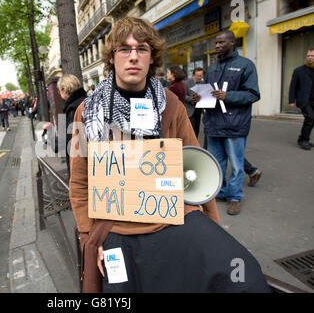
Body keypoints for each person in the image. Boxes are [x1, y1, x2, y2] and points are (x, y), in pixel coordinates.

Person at [69, 17, 268, 293]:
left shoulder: (170, 105)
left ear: (152, 57)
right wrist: (88, 236)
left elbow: (195, 166)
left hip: (169, 216)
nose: (133, 57)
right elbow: (79, 183)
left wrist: (211, 227)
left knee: (244, 277)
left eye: (142, 49)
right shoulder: (86, 112)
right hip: (114, 227)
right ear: (112, 58)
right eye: (124, 50)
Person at [192, 30, 260, 216]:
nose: (217, 46)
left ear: (232, 43)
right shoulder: (212, 68)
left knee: (237, 165)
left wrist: (228, 96)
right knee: (216, 162)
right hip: (213, 123)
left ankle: (235, 197)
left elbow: (253, 94)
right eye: (216, 43)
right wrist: (200, 97)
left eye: (221, 42)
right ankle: (219, 192)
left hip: (235, 124)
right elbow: (209, 93)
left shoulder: (246, 65)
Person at [57, 74, 87, 176]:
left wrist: (53, 142)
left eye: (60, 90)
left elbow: (69, 139)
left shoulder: (72, 109)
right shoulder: (86, 100)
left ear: (65, 90)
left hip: (79, 161)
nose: (59, 93)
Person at [289, 48, 314, 150]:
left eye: (312, 56)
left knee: (312, 120)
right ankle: (303, 140)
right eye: (308, 56)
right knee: (310, 118)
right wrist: (291, 100)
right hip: (304, 100)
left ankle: (303, 138)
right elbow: (293, 86)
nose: (310, 58)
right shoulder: (299, 70)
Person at [184, 67, 204, 138]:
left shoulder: (203, 83)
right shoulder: (186, 83)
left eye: (201, 76)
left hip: (199, 109)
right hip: (190, 109)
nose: (199, 77)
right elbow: (183, 95)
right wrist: (192, 99)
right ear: (193, 75)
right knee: (191, 129)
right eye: (198, 75)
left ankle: (196, 144)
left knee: (197, 128)